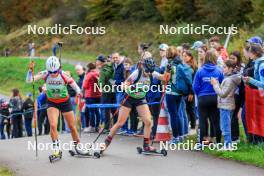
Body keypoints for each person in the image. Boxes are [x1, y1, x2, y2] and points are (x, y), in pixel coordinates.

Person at [26, 56, 82, 157]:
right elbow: (30, 80)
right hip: (52, 102)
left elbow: (75, 85)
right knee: (53, 125)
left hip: (65, 102)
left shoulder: (63, 74)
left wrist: (79, 93)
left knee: (72, 127)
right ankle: (56, 149)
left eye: (55, 72)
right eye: (51, 72)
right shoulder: (45, 74)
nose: (53, 74)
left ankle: (78, 146)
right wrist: (30, 71)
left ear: (58, 69)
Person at [101, 58, 158, 153]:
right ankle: (105, 143)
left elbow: (165, 78)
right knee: (120, 123)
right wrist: (132, 86)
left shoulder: (152, 73)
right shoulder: (136, 73)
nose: (149, 73)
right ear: (143, 67)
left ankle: (146, 146)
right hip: (129, 99)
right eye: (147, 71)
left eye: (151, 71)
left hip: (140, 99)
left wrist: (168, 70)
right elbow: (124, 85)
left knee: (148, 121)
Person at [152, 46, 193, 144]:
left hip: (171, 93)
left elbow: (165, 78)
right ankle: (181, 135)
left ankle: (176, 137)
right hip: (179, 93)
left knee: (173, 115)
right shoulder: (181, 63)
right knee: (178, 114)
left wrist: (154, 73)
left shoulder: (170, 64)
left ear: (168, 54)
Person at [193, 49, 224, 148]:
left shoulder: (200, 71)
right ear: (215, 58)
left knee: (202, 121)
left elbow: (195, 87)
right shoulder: (219, 71)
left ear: (205, 58)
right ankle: (218, 143)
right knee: (216, 121)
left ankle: (201, 144)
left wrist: (200, 95)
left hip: (203, 98)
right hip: (215, 98)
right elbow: (222, 85)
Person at [211, 60, 241, 150]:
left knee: (225, 126)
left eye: (224, 67)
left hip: (226, 105)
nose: (222, 69)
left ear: (230, 68)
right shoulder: (229, 78)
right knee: (224, 125)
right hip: (226, 104)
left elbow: (223, 94)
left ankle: (227, 145)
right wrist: (218, 84)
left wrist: (215, 85)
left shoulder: (229, 80)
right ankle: (227, 144)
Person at [97, 54, 117, 133]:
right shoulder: (112, 67)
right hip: (113, 91)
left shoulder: (103, 69)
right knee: (114, 109)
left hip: (106, 92)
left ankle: (106, 127)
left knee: (106, 110)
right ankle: (116, 126)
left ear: (100, 62)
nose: (96, 62)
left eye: (97, 60)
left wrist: (101, 85)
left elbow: (101, 83)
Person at [229, 51, 245, 142]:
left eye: (233, 58)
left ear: (238, 59)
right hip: (231, 94)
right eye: (230, 58)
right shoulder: (229, 67)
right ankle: (234, 136)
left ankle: (235, 138)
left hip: (238, 94)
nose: (232, 60)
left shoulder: (241, 68)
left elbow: (240, 81)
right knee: (232, 115)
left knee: (233, 115)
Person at [83, 63, 101, 133]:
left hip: (90, 95)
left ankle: (92, 127)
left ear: (89, 68)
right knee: (97, 111)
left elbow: (85, 86)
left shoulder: (89, 74)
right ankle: (97, 126)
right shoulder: (98, 73)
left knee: (91, 111)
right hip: (98, 95)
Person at [182, 51, 198, 135]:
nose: (184, 58)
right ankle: (186, 126)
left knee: (191, 109)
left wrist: (191, 92)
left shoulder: (194, 68)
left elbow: (194, 81)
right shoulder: (183, 66)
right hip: (183, 91)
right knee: (185, 109)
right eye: (183, 56)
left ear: (190, 57)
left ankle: (193, 127)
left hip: (190, 91)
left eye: (186, 56)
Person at [75, 64, 87, 130]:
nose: (77, 71)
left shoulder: (85, 77)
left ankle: (85, 126)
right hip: (80, 97)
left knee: (83, 112)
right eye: (76, 70)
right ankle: (83, 126)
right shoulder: (79, 78)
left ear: (83, 70)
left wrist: (84, 96)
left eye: (79, 70)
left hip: (84, 97)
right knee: (81, 112)